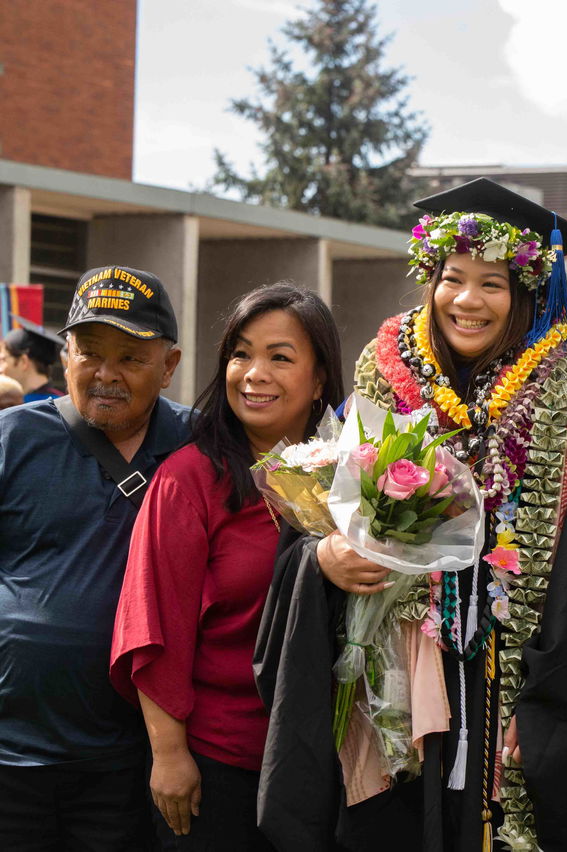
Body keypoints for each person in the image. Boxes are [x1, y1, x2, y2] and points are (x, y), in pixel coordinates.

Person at [256, 178, 567, 852]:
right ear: (429, 281)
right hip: (396, 672)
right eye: (452, 278)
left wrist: (545, 704)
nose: (467, 300)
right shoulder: (380, 386)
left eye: (492, 284)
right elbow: (333, 525)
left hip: (509, 675)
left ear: (526, 294)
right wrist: (326, 557)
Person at [109, 283, 351, 850]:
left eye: (280, 357)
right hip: (221, 764)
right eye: (240, 354)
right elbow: (154, 624)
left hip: (334, 761)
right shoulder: (190, 479)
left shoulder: (357, 479)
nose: (253, 373)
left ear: (319, 380)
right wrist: (169, 756)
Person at [0, 265, 189, 850]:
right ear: (64, 356)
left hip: (132, 764)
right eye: (89, 353)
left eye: (131, 357)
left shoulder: (200, 447)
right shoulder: (12, 437)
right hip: (10, 759)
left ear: (169, 365)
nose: (106, 374)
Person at [0, 326, 65, 401]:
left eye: (3, 360)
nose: (0, 369)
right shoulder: (61, 403)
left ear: (23, 361)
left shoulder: (11, 405)